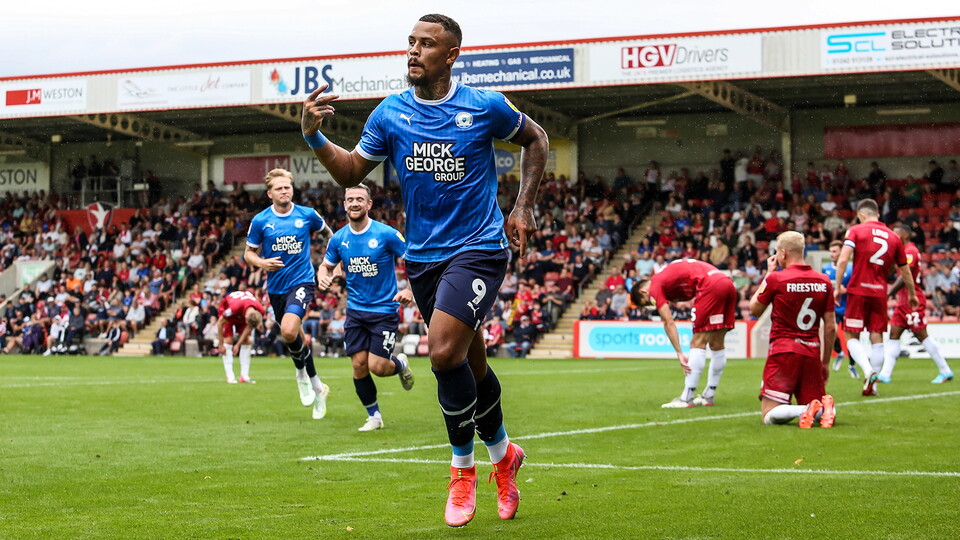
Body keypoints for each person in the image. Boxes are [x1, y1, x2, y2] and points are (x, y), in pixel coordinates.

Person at [300, 13, 548, 527]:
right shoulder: (390, 113)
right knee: (470, 365)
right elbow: (350, 170)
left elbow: (537, 139)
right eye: (410, 42)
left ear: (451, 55)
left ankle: (463, 471)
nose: (413, 51)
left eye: (426, 44)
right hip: (424, 258)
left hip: (478, 247)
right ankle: (504, 457)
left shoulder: (483, 106)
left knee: (440, 352)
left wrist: (522, 207)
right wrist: (313, 136)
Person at [317, 184, 416, 432]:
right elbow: (326, 266)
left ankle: (400, 365)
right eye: (350, 199)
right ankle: (374, 416)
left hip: (384, 311)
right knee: (359, 365)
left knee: (378, 367)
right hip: (355, 312)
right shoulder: (339, 239)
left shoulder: (387, 234)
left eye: (360, 199)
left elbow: (414, 260)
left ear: (369, 204)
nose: (354, 203)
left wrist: (410, 290)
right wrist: (323, 275)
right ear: (344, 204)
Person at [244, 168, 334, 419]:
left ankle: (300, 374)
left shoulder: (307, 215)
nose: (284, 191)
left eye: (287, 187)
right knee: (296, 338)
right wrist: (263, 263)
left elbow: (331, 237)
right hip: (276, 288)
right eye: (279, 188)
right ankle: (318, 386)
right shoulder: (261, 220)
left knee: (288, 331)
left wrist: (330, 263)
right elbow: (248, 253)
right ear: (270, 193)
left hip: (302, 282)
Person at [750, 231, 837, 428]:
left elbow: (755, 308)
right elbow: (830, 327)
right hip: (812, 352)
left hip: (784, 351)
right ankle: (824, 408)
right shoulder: (823, 281)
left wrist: (769, 273)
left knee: (769, 414)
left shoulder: (777, 279)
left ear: (783, 253)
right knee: (819, 410)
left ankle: (804, 409)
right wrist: (825, 362)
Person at [834, 199, 918, 397]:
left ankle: (868, 371)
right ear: (877, 214)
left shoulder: (856, 230)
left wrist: (837, 287)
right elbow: (905, 271)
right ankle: (873, 385)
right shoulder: (893, 237)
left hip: (857, 291)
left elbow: (843, 259)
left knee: (851, 335)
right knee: (877, 337)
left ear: (861, 214)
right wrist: (912, 294)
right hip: (879, 292)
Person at [630, 258, 736, 408]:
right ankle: (708, 395)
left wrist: (679, 353)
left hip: (710, 285)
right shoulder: (665, 274)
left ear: (643, 291)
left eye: (647, 302)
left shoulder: (654, 285)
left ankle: (687, 398)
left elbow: (668, 321)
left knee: (697, 341)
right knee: (716, 343)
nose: (651, 304)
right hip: (725, 283)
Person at [879, 224, 954, 384]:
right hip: (902, 301)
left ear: (905, 235)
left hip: (913, 300)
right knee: (894, 334)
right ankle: (885, 374)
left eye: (896, 234)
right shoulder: (901, 252)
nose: (894, 236)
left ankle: (945, 370)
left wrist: (888, 294)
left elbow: (906, 275)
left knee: (921, 334)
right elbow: (895, 272)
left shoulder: (911, 251)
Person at [821, 240, 856, 378]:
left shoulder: (851, 268)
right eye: (830, 251)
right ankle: (839, 351)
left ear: (841, 252)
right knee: (832, 331)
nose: (832, 254)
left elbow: (856, 288)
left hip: (849, 307)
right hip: (833, 307)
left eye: (834, 251)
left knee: (851, 338)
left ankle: (852, 365)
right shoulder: (826, 268)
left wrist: (844, 290)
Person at [217, 289, 266, 384]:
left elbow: (249, 327)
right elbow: (220, 323)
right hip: (229, 308)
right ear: (246, 318)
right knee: (228, 341)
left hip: (242, 311)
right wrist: (220, 344)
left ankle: (244, 376)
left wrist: (238, 344)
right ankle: (230, 376)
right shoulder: (233, 309)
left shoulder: (260, 311)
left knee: (247, 341)